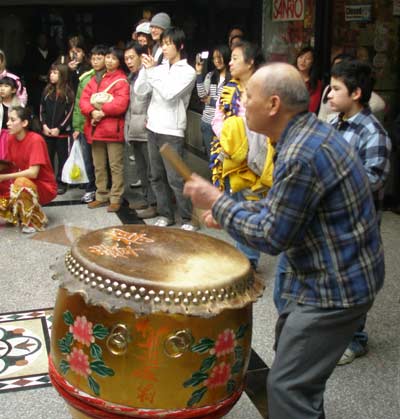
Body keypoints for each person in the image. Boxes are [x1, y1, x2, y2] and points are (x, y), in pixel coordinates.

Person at [184, 63, 384, 419]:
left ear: (273, 104)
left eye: (247, 95)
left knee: (287, 388)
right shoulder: (308, 135)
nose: (241, 102)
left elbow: (272, 235)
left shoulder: (301, 153)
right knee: (299, 381)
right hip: (327, 276)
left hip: (333, 289)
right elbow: (285, 208)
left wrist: (217, 201)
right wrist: (229, 210)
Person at [328, 58, 391, 365]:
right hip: (332, 222)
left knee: (355, 281)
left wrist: (335, 175)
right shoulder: (331, 123)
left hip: (358, 225)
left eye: (336, 88)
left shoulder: (373, 132)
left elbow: (374, 179)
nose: (328, 93)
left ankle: (356, 339)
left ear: (355, 93)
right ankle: (337, 333)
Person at [210, 41, 273, 270]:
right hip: (231, 156)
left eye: (235, 58)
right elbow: (217, 119)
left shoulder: (267, 88)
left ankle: (249, 261)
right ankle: (243, 255)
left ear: (251, 62)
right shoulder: (228, 89)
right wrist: (230, 139)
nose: (230, 62)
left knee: (251, 206)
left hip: (258, 156)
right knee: (237, 205)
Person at [134, 27, 196, 229]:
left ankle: (188, 218)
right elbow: (140, 91)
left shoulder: (188, 71)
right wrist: (145, 70)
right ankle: (165, 214)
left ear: (180, 46)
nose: (165, 48)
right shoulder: (158, 69)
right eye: (163, 44)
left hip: (172, 131)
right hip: (153, 127)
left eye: (169, 43)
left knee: (176, 178)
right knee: (156, 175)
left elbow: (169, 94)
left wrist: (152, 72)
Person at [80, 46, 129, 213]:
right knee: (98, 165)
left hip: (112, 129)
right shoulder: (94, 79)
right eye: (108, 57)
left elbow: (121, 103)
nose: (109, 60)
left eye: (114, 58)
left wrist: (102, 111)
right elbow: (84, 100)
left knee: (115, 165)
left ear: (119, 62)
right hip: (96, 128)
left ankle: (116, 197)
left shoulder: (121, 80)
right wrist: (92, 111)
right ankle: (101, 195)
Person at [0, 106, 57, 233]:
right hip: (22, 182)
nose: (7, 123)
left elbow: (33, 173)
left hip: (43, 186)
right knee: (18, 182)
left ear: (24, 123)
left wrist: (3, 177)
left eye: (12, 120)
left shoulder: (36, 140)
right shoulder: (10, 138)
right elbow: (10, 164)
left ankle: (34, 220)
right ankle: (15, 213)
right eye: (8, 119)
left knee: (21, 182)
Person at [72, 44, 108, 204]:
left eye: (99, 58)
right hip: (87, 125)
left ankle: (107, 189)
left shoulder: (112, 76)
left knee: (106, 160)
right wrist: (77, 127)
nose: (95, 61)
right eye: (93, 58)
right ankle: (91, 187)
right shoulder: (86, 78)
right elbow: (80, 104)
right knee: (88, 159)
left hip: (106, 124)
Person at [124, 41, 156, 216]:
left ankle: (154, 204)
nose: (128, 62)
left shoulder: (148, 76)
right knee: (141, 169)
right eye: (126, 59)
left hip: (146, 128)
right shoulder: (131, 78)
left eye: (131, 57)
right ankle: (145, 199)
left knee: (152, 171)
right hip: (134, 129)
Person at [318, 54, 386, 122]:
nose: (329, 95)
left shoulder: (371, 131)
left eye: (336, 89)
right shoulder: (337, 121)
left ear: (356, 93)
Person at [40, 63, 74, 195]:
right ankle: (49, 180)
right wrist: (44, 125)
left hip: (62, 133)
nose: (52, 75)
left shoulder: (68, 92)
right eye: (51, 73)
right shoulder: (47, 90)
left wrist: (60, 127)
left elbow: (70, 112)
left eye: (55, 73)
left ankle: (61, 181)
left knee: (62, 157)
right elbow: (41, 109)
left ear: (62, 75)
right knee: (48, 157)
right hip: (47, 131)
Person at [195, 44, 230, 156]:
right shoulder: (211, 75)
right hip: (207, 122)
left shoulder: (233, 78)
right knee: (212, 159)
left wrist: (211, 101)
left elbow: (228, 104)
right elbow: (202, 95)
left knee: (223, 159)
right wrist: (199, 73)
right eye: (214, 58)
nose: (216, 61)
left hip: (223, 125)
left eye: (219, 57)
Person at [295, 46, 322, 113]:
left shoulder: (316, 84)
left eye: (307, 59)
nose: (303, 61)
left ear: (312, 62)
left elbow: (312, 107)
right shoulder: (288, 77)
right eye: (301, 57)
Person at [0, 77, 22, 159]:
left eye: (6, 86)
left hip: (12, 136)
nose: (2, 89)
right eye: (0, 86)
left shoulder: (19, 106)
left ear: (13, 90)